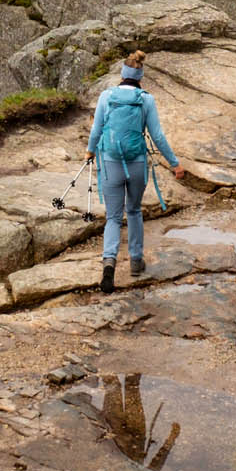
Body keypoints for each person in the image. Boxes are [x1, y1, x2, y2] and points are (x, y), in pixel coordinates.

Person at [85, 51, 187, 293]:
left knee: (112, 216)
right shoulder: (146, 99)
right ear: (140, 77)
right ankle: (135, 261)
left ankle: (109, 264)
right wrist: (175, 163)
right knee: (133, 210)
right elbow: (157, 136)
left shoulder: (106, 96)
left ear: (122, 74)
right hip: (136, 163)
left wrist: (90, 151)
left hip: (110, 162)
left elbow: (97, 129)